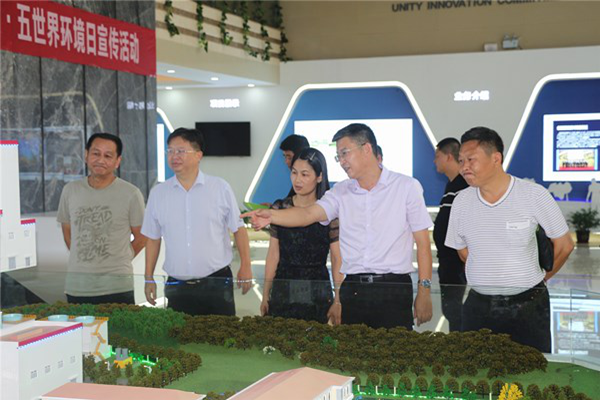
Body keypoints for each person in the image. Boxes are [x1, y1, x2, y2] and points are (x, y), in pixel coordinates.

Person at [244, 123, 433, 330]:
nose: (341, 161)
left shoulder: (406, 187)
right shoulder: (341, 191)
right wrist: (272, 215)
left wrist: (424, 291)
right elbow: (308, 214)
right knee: (351, 349)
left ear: (366, 148)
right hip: (353, 290)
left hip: (393, 288)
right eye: (338, 156)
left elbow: (423, 244)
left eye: (344, 153)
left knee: (394, 348)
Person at [445, 127, 574, 352]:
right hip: (478, 307)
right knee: (475, 369)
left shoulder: (533, 195)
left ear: (496, 158)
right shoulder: (461, 202)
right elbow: (463, 252)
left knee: (532, 370)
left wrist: (541, 279)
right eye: (461, 160)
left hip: (528, 306)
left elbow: (564, 245)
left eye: (471, 160)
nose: (464, 167)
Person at [142, 128, 252, 316]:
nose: (174, 156)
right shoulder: (158, 193)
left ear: (198, 155)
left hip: (216, 282)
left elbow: (239, 229)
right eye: (170, 151)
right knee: (180, 334)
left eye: (181, 151)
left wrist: (246, 266)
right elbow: (153, 238)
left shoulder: (220, 188)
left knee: (221, 334)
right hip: (177, 285)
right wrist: (148, 277)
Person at [57, 133, 146, 304]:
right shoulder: (70, 190)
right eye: (96, 153)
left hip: (117, 288)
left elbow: (142, 237)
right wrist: (84, 258)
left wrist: (120, 259)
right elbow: (67, 231)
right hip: (77, 287)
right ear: (86, 155)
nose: (100, 160)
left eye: (108, 156)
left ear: (117, 161)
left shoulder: (131, 193)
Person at [261, 148, 343, 324]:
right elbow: (273, 255)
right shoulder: (279, 208)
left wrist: (338, 299)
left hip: (316, 287)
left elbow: (337, 258)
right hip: (284, 285)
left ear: (319, 177)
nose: (297, 180)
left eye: (305, 174)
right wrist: (265, 294)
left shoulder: (328, 212)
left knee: (314, 338)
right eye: (294, 172)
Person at [433, 137, 469, 332]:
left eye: (437, 156)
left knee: (455, 310)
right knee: (451, 309)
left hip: (457, 261)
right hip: (448, 260)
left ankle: (461, 344)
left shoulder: (464, 186)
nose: (434, 161)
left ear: (448, 156)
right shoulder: (452, 185)